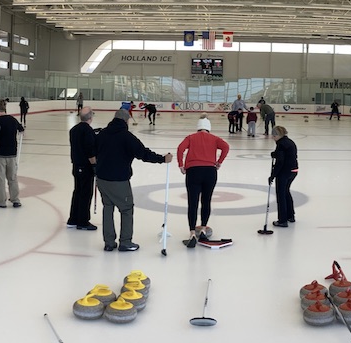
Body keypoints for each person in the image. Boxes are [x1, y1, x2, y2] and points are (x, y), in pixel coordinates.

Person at [94, 108, 170, 252]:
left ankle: (109, 242)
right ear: (126, 120)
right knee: (126, 209)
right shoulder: (126, 136)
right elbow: (143, 153)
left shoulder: (102, 133)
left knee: (108, 208)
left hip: (102, 179)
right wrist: (162, 159)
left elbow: (93, 151)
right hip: (119, 181)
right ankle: (125, 242)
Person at [176, 116, 230, 245]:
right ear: (209, 129)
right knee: (206, 201)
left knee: (193, 202)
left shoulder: (190, 137)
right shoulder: (215, 138)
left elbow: (180, 149)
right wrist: (219, 162)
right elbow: (226, 147)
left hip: (193, 171)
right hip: (210, 172)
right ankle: (204, 229)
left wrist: (181, 164)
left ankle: (192, 233)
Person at [67, 106, 99, 231]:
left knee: (77, 192)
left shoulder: (74, 129)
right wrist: (95, 165)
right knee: (85, 193)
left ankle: (73, 219)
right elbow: (90, 151)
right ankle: (83, 221)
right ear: (90, 117)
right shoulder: (87, 131)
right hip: (85, 167)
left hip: (76, 165)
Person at [0, 101, 24, 208]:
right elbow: (21, 128)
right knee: (12, 178)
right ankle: (15, 199)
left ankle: (1, 201)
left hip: (0, 155)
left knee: (0, 179)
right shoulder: (13, 119)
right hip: (12, 154)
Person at [270, 126, 299, 226]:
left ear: (277, 135)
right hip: (294, 170)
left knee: (281, 195)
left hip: (285, 172)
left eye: (273, 136)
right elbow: (287, 155)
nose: (272, 138)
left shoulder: (281, 144)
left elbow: (280, 162)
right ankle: (290, 215)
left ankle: (282, 220)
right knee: (286, 192)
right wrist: (275, 154)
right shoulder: (289, 141)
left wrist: (273, 175)